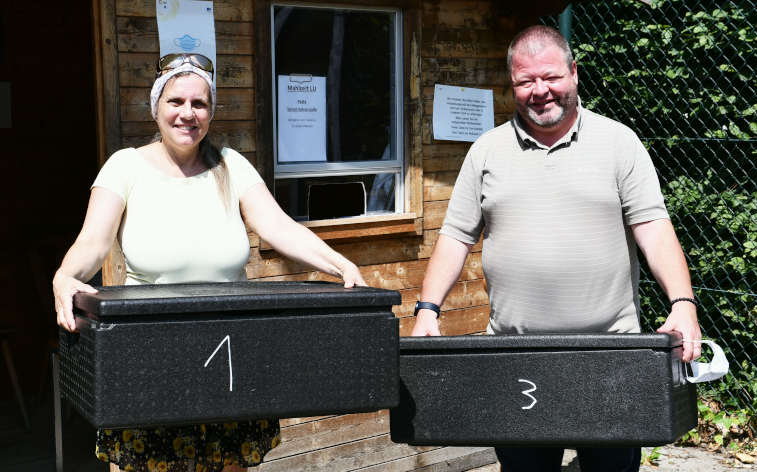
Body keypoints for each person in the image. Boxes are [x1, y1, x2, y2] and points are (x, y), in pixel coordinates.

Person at [53, 53, 366, 472]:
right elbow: (94, 241)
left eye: (199, 104)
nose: (187, 114)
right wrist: (65, 275)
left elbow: (279, 228)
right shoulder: (125, 167)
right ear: (156, 108)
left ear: (211, 111)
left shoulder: (231, 166)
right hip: (151, 361)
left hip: (229, 361)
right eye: (176, 102)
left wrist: (340, 264)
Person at [410, 25, 701, 472]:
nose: (540, 91)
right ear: (513, 85)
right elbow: (455, 236)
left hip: (611, 358)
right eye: (526, 82)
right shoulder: (486, 151)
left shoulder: (618, 142)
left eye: (550, 77)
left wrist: (683, 304)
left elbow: (654, 228)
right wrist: (428, 309)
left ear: (574, 73)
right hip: (517, 357)